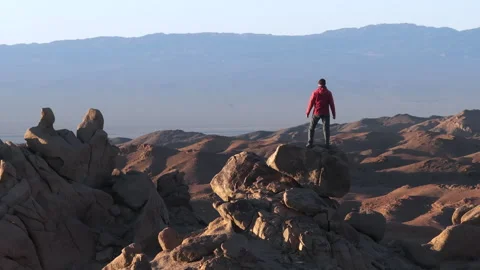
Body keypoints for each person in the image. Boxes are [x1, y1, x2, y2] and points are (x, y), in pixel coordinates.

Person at [306, 78, 336, 149]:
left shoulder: (315, 92)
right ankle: (327, 144)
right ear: (325, 84)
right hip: (326, 113)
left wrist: (308, 112)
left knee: (311, 128)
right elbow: (332, 104)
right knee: (326, 129)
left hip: (317, 112)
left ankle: (310, 143)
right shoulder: (328, 93)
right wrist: (333, 114)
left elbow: (311, 103)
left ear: (318, 84)